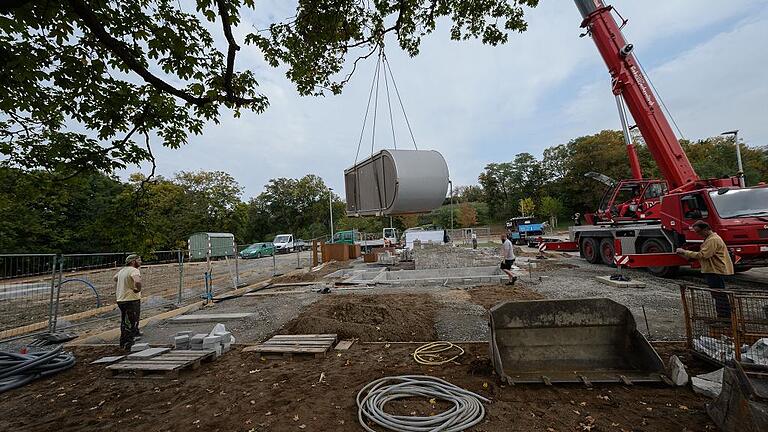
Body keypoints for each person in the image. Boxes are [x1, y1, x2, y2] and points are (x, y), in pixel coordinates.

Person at [675, 220, 734, 318]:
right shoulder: (710, 239)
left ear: (706, 229)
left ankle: (724, 317)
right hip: (713, 270)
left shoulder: (712, 240)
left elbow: (703, 255)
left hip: (715, 270)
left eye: (699, 232)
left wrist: (685, 252)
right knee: (718, 294)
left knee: (719, 294)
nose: (698, 234)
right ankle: (724, 316)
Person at [114, 254, 143, 351]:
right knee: (132, 322)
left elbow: (115, 278)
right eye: (138, 260)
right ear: (133, 261)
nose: (140, 262)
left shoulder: (122, 271)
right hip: (131, 300)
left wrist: (124, 284)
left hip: (121, 299)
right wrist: (137, 289)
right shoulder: (134, 270)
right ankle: (129, 345)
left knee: (125, 321)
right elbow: (137, 281)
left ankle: (123, 343)